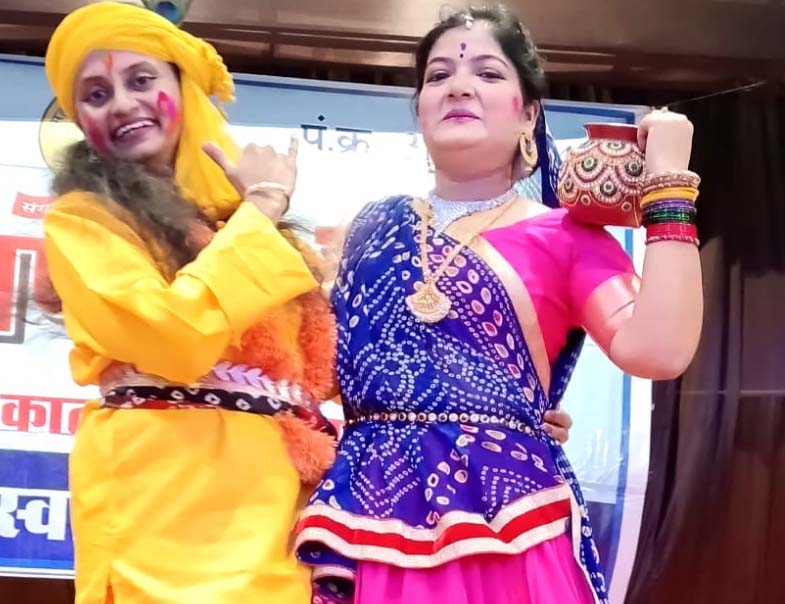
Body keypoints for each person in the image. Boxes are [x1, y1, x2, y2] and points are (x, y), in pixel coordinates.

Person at [296, 6, 703, 604]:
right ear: (420, 108)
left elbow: (659, 351)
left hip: (507, 527)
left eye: (487, 73)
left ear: (529, 113)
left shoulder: (566, 237)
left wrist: (669, 184)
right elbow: (319, 371)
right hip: (364, 514)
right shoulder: (370, 227)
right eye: (438, 76)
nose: (458, 86)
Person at [42, 3, 337, 602]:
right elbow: (171, 337)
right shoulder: (82, 221)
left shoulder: (245, 224)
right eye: (96, 94)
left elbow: (323, 371)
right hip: (166, 501)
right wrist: (262, 208)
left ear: (184, 88)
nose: (121, 103)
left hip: (280, 509)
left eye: (141, 80)